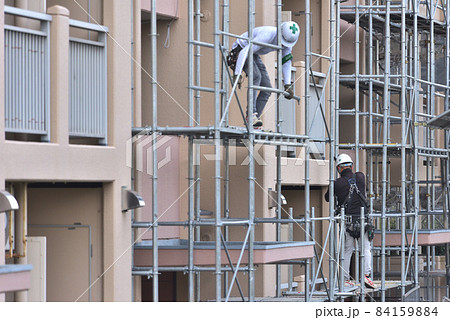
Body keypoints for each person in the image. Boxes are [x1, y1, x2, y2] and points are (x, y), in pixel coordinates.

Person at [228, 21, 300, 127]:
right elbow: (245, 51)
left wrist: (287, 84)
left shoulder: (288, 43)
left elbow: (286, 62)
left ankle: (253, 121)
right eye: (282, 42)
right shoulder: (267, 35)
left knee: (267, 88)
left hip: (254, 54)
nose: (283, 45)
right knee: (256, 76)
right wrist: (237, 73)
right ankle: (251, 116)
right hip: (241, 49)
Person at [324, 154, 376, 289]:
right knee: (366, 249)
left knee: (347, 250)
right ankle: (366, 275)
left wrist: (334, 184)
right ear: (351, 166)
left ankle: (346, 278)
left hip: (347, 222)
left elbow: (327, 198)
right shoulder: (360, 177)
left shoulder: (336, 183)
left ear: (338, 169)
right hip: (363, 220)